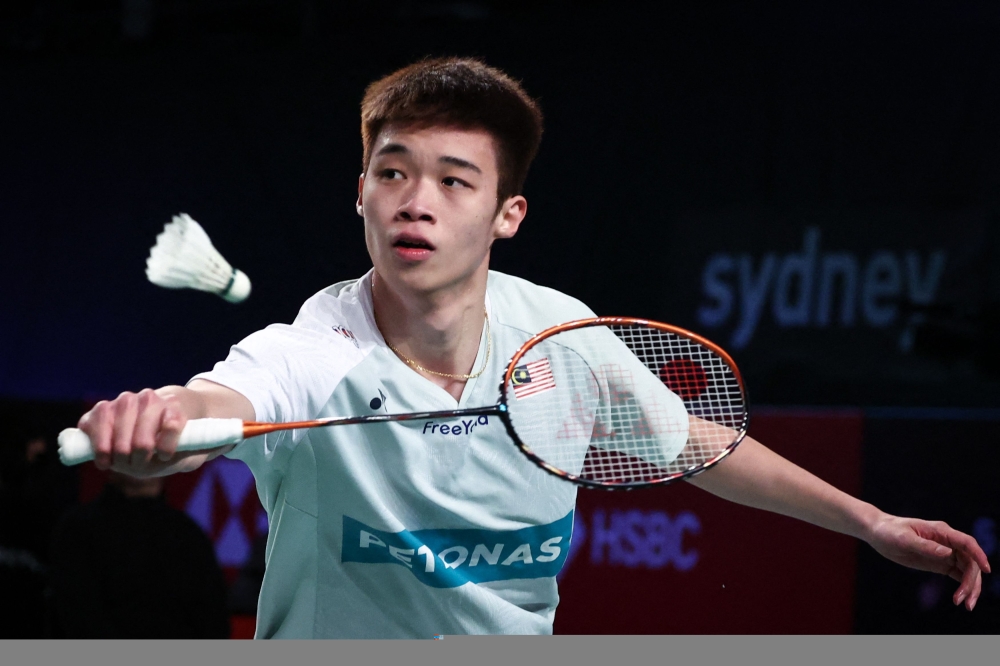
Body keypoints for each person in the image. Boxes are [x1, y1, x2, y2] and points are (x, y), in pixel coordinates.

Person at [73, 57, 990, 638]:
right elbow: (223, 402)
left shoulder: (562, 338)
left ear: (507, 213)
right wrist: (164, 419)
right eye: (391, 172)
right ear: (360, 192)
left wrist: (870, 523)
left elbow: (698, 446)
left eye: (452, 180)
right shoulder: (317, 351)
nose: (414, 200)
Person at [48, 471, 230, 638]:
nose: (140, 453)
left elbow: (214, 623)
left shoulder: (189, 535)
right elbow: (73, 616)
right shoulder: (77, 529)